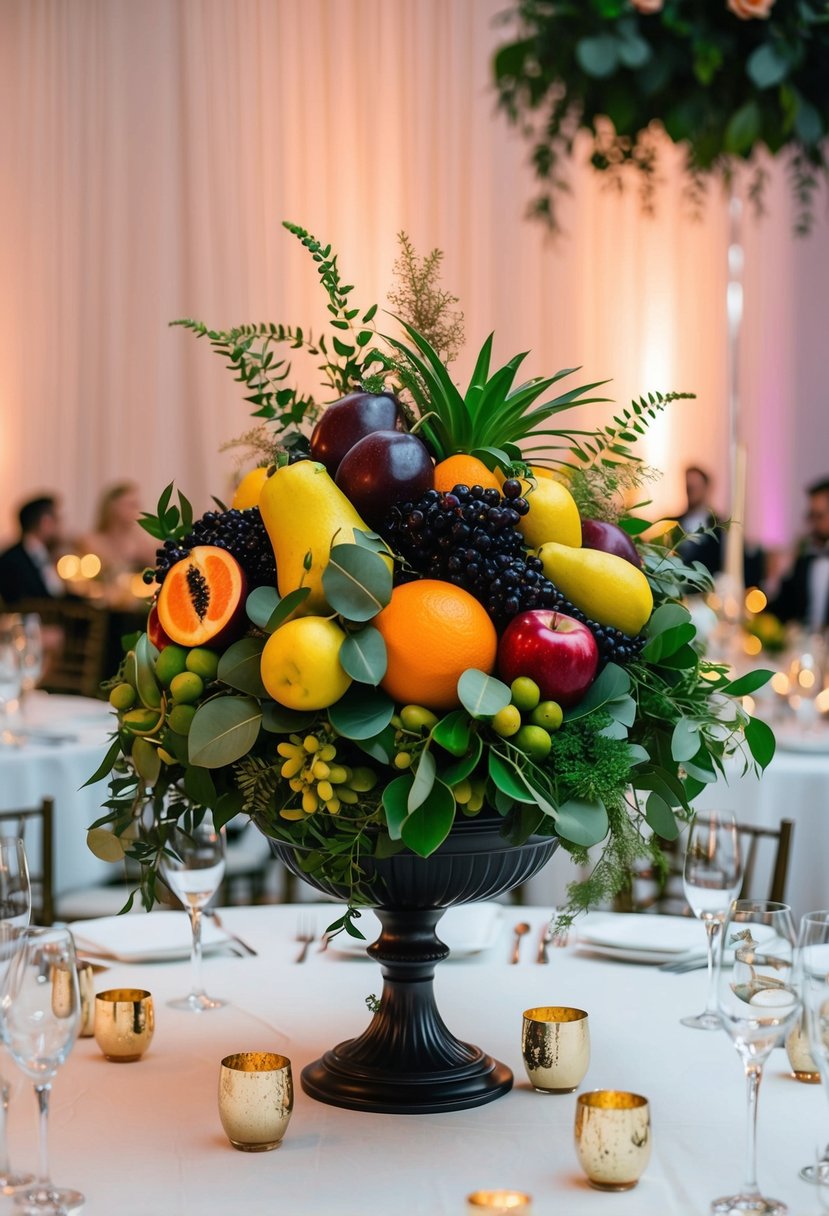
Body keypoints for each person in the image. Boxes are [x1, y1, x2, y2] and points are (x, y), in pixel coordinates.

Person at [769, 477, 829, 630]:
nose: (813, 523)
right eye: (811, 516)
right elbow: (783, 607)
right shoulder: (805, 559)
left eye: (819, 516)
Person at [77, 482, 157, 582]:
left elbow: (155, 568)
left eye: (137, 505)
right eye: (131, 505)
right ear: (112, 507)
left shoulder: (140, 541)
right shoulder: (90, 541)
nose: (138, 511)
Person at [0, 495, 66, 604]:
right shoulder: (11, 560)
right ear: (45, 522)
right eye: (56, 520)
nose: (60, 526)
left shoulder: (46, 555)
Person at [673, 466, 723, 576]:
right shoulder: (671, 523)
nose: (691, 492)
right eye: (688, 487)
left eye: (695, 487)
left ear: (706, 488)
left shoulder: (720, 527)